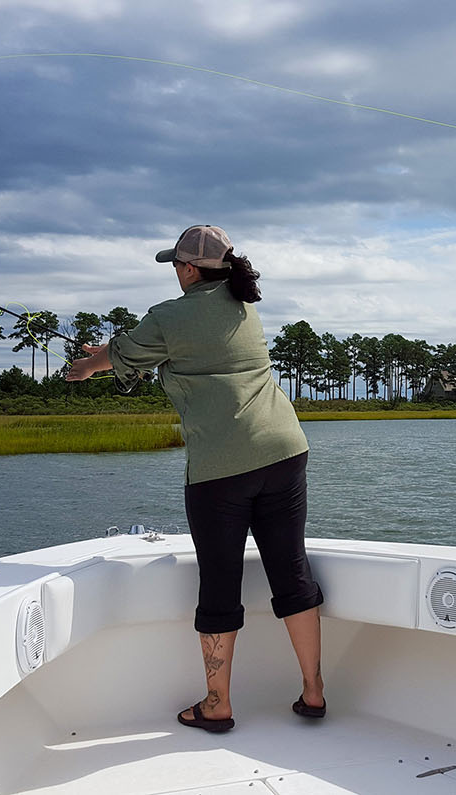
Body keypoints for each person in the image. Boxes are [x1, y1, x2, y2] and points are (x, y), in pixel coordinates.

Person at [66, 225, 325, 734]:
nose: (175, 272)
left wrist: (84, 369)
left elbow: (119, 355)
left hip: (220, 470)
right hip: (285, 451)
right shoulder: (244, 306)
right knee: (292, 571)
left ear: (188, 269)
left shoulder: (169, 316)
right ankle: (314, 693)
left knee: (220, 583)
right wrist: (119, 352)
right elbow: (159, 349)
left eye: (175, 265)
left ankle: (216, 705)